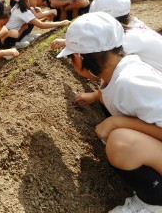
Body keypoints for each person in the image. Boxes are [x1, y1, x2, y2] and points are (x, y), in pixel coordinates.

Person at [56, 11, 162, 213]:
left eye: (71, 57)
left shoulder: (131, 82)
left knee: (121, 142)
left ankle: (154, 202)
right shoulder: (120, 72)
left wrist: (117, 123)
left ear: (79, 58)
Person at [51, 0, 162, 107]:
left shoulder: (126, 41)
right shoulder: (133, 26)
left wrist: (96, 96)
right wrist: (69, 43)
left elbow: (107, 67)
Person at [0, 0, 70, 50]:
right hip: (1, 39)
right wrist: (61, 23)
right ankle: (8, 48)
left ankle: (13, 44)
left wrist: (45, 18)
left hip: (4, 38)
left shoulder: (21, 6)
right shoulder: (22, 11)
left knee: (25, 25)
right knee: (13, 32)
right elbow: (41, 25)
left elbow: (35, 20)